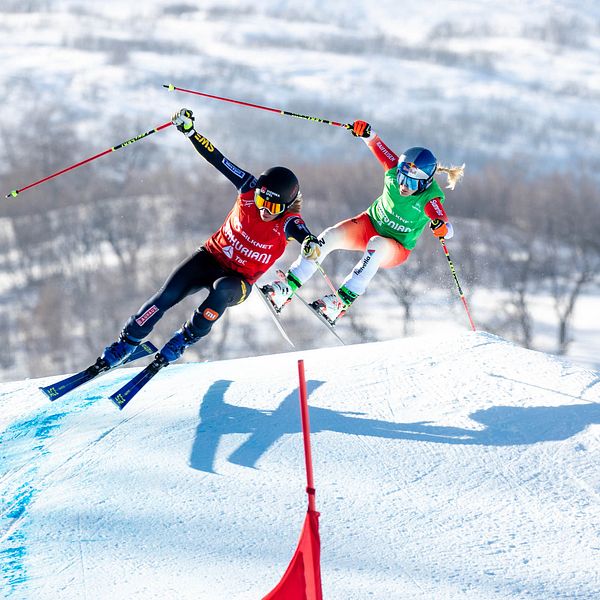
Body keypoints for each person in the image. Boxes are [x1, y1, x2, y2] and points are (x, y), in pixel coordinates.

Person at [99, 108, 319, 368]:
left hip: (237, 283)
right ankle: (126, 342)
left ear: (285, 207)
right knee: (166, 295)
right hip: (210, 258)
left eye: (272, 207)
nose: (263, 209)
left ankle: (183, 339)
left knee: (222, 289)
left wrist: (309, 242)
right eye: (261, 200)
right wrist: (191, 132)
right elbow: (217, 159)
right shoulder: (248, 188)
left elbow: (301, 232)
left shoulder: (287, 222)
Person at [261, 120, 465, 324]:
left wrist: (442, 229)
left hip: (395, 246)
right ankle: (286, 288)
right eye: (402, 178)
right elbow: (375, 142)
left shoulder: (429, 199)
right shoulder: (394, 170)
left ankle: (339, 303)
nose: (403, 185)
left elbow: (446, 227)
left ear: (426, 183)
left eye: (411, 182)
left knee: (376, 245)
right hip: (369, 224)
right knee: (328, 236)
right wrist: (364, 131)